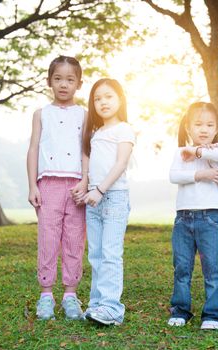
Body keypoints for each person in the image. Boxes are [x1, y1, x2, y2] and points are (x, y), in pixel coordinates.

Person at [27, 55, 87, 321]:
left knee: (74, 239)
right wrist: (33, 185)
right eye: (58, 78)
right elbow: (33, 149)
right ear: (49, 81)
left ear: (79, 83)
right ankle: (46, 295)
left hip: (76, 184)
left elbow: (87, 151)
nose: (64, 84)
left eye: (70, 79)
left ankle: (71, 296)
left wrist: (85, 182)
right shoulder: (41, 114)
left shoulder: (85, 115)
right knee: (48, 239)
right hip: (48, 183)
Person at [73, 78, 135, 326]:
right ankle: (97, 305)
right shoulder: (96, 132)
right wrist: (85, 186)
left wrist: (99, 189)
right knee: (96, 254)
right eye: (97, 99)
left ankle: (112, 308)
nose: (103, 102)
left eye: (108, 96)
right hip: (93, 198)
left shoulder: (125, 129)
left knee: (110, 253)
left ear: (120, 99)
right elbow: (88, 163)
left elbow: (120, 164)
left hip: (114, 197)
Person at [167, 102, 218, 330]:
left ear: (216, 129)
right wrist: (202, 173)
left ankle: (213, 314)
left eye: (209, 125)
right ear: (188, 128)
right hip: (183, 218)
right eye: (198, 124)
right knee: (182, 266)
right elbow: (174, 176)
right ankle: (181, 310)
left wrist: (201, 154)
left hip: (210, 218)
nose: (203, 129)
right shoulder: (180, 152)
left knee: (212, 268)